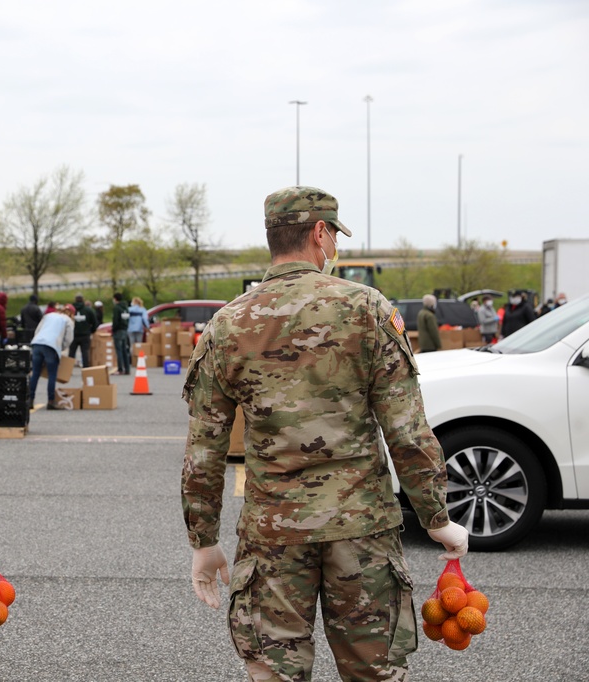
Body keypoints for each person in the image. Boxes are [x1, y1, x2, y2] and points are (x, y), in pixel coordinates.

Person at [181, 186, 467, 681]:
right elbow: (406, 428)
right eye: (333, 234)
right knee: (374, 673)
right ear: (319, 234)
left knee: (274, 672)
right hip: (362, 530)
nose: (333, 245)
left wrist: (203, 540)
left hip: (272, 536)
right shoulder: (367, 309)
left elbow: (205, 449)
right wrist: (436, 517)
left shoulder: (227, 324)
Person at [28, 304, 75, 410]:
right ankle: (51, 401)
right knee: (52, 374)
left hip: (37, 343)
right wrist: (60, 348)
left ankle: (30, 400)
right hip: (51, 346)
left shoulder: (49, 315)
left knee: (35, 373)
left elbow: (38, 330)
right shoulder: (68, 321)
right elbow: (68, 339)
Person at [68, 294, 97, 367]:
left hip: (73, 334)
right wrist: (91, 331)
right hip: (85, 334)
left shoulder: (70, 310)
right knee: (85, 352)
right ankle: (86, 369)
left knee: (71, 353)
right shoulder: (88, 310)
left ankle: (68, 370)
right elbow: (94, 322)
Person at [111, 292, 131, 374]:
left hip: (118, 330)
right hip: (125, 330)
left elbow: (115, 320)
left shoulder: (117, 308)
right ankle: (127, 369)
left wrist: (113, 329)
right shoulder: (126, 308)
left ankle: (120, 369)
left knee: (118, 350)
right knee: (124, 350)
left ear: (115, 299)